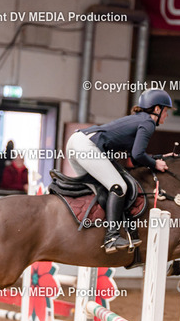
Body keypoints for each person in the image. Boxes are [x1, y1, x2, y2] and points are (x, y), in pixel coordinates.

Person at [66, 88, 172, 254]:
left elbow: (135, 158)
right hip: (86, 147)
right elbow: (138, 155)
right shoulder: (148, 123)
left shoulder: (138, 119)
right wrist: (155, 164)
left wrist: (156, 158)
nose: (166, 115)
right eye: (165, 111)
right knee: (119, 186)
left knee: (101, 189)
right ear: (157, 109)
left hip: (75, 143)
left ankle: (95, 231)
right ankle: (112, 237)